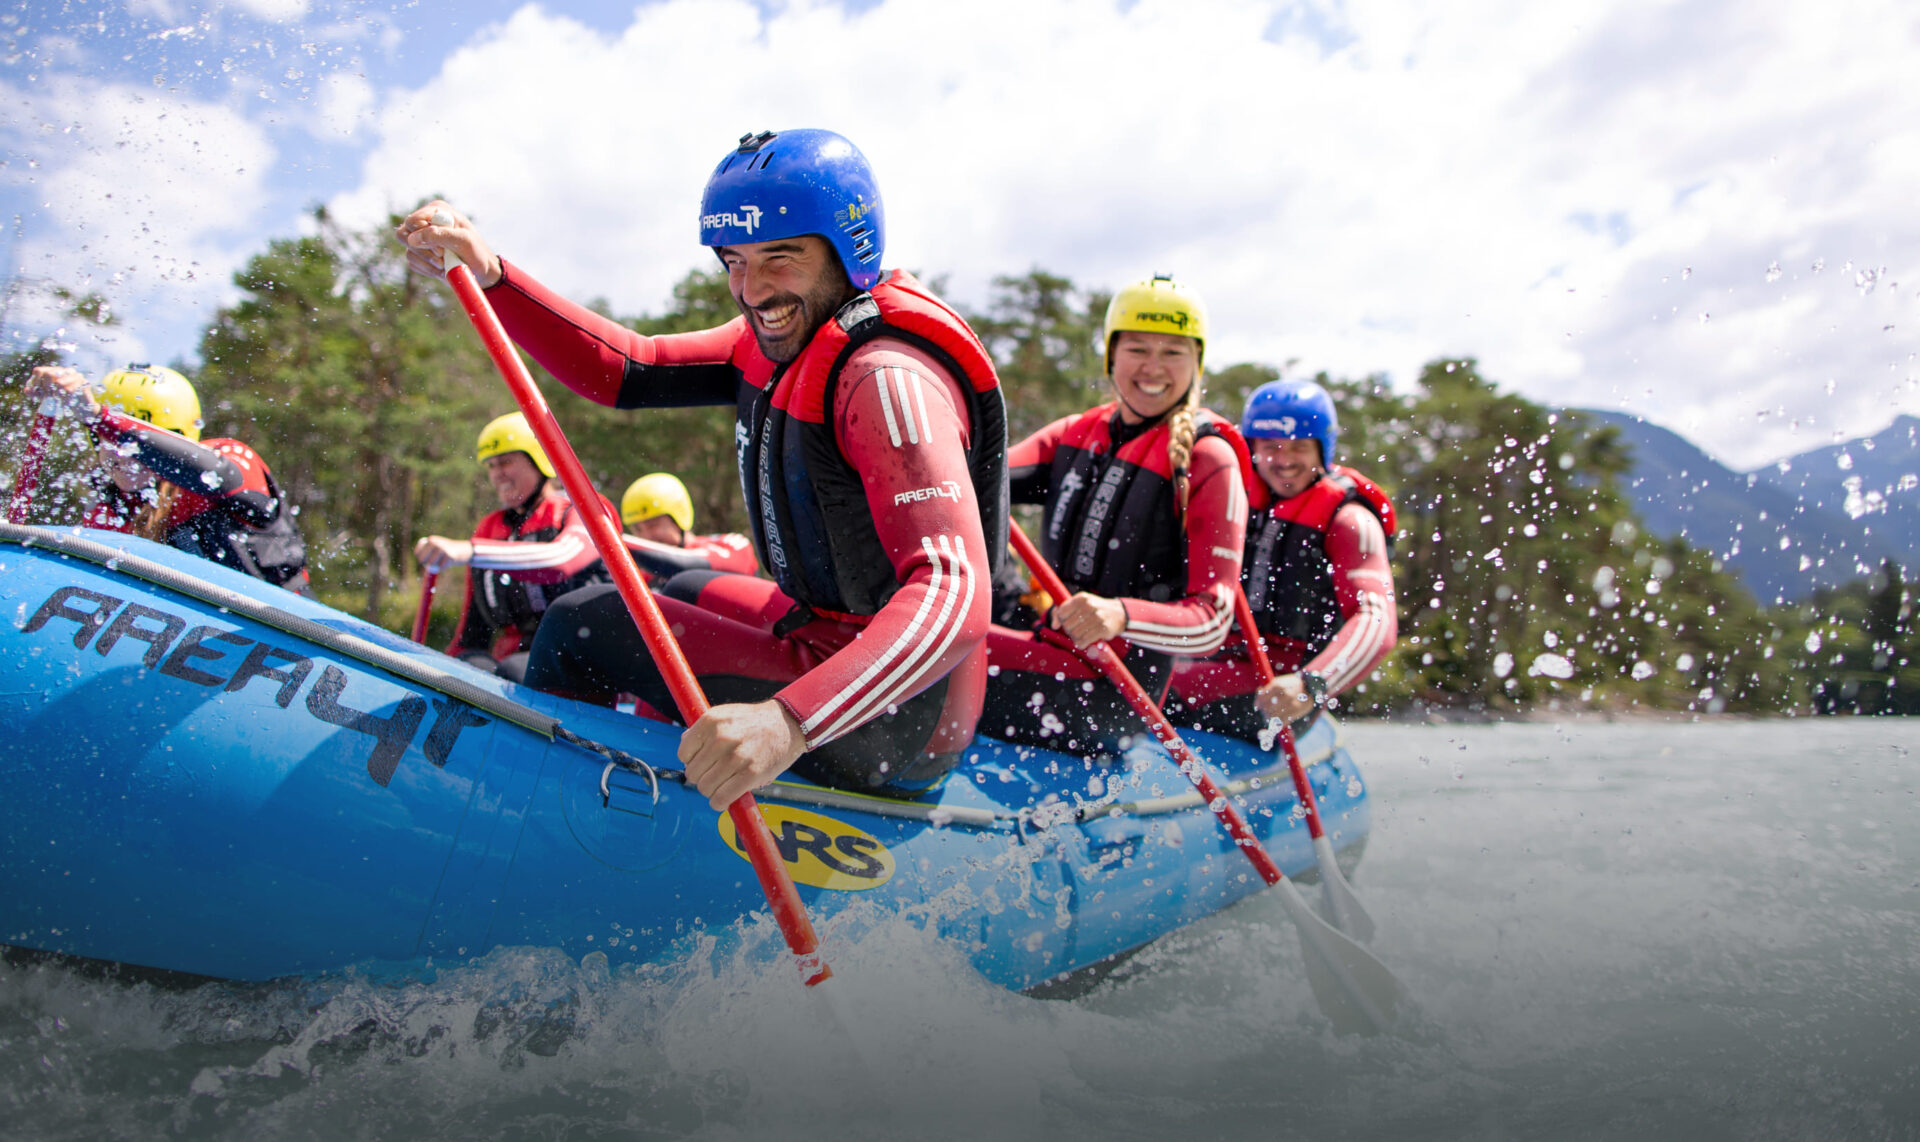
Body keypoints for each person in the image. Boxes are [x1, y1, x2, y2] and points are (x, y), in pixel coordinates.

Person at [397, 128, 1006, 806]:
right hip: (826, 631)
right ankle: (658, 782)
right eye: (734, 261)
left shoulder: (886, 378)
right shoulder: (779, 336)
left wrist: (788, 723)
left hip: (899, 713)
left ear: (849, 250)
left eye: (781, 256)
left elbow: (956, 598)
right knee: (680, 587)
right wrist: (493, 274)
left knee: (584, 621)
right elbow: (630, 369)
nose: (752, 290)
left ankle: (524, 817)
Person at [981, 276, 1252, 756]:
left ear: (1197, 362)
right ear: (1111, 355)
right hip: (1048, 647)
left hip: (1112, 690)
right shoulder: (1076, 433)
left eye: (1173, 352)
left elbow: (1214, 619)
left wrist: (1120, 615)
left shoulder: (1209, 461)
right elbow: (974, 477)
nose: (1153, 367)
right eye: (1137, 348)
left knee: (941, 655)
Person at [1168, 378, 1398, 741]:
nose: (1284, 460)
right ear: (1251, 446)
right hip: (1195, 664)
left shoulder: (1350, 519)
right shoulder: (1224, 492)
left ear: (1323, 449)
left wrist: (1313, 684)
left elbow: (1376, 618)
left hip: (1279, 690)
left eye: (1299, 448)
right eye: (1271, 446)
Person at [25, 363, 312, 593]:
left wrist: (100, 417)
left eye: (138, 449)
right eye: (109, 441)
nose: (123, 457)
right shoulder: (108, 510)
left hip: (281, 636)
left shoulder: (229, 460)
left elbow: (221, 476)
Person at [413, 412, 609, 683]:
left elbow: (560, 561)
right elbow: (472, 629)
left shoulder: (584, 510)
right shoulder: (489, 529)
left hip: (581, 660)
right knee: (465, 667)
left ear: (539, 461)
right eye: (491, 466)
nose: (497, 474)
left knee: (516, 671)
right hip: (514, 661)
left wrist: (470, 551)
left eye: (506, 462)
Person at [618, 471, 758, 583]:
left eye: (653, 525)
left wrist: (617, 542)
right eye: (637, 529)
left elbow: (688, 564)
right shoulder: (647, 575)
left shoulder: (731, 544)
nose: (646, 536)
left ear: (678, 518)